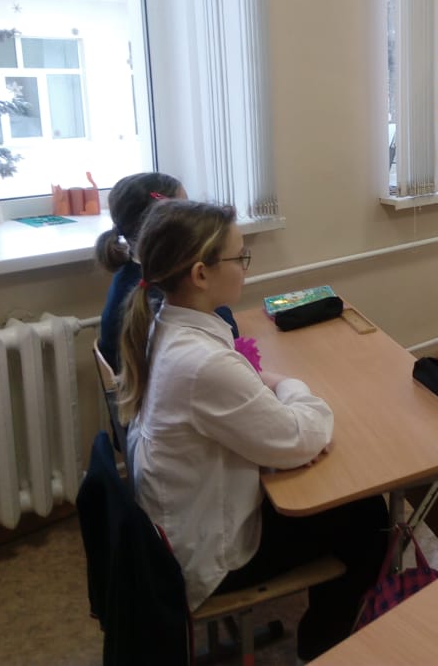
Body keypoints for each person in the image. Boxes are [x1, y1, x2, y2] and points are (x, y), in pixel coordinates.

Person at [118, 199, 388, 662]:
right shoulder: (202, 363)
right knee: (368, 519)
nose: (246, 266)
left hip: (180, 525)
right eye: (239, 257)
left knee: (343, 503)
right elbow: (301, 437)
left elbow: (243, 399)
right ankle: (324, 648)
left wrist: (268, 390)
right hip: (207, 559)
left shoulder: (167, 327)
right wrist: (292, 386)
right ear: (200, 274)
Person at [95, 171, 239, 372]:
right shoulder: (171, 288)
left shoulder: (130, 275)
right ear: (165, 224)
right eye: (188, 212)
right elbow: (230, 337)